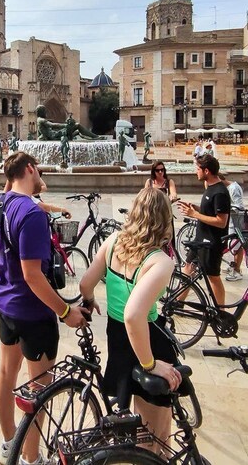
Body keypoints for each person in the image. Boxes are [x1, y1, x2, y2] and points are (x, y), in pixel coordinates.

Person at [0, 152, 87, 465]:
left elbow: (25, 203)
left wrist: (52, 207)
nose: (43, 176)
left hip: (5, 303)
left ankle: (9, 444)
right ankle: (31, 458)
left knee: (6, 372)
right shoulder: (31, 215)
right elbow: (33, 275)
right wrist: (65, 311)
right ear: (30, 168)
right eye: (40, 170)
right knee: (38, 390)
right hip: (33, 312)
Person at [80, 187, 183, 456]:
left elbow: (85, 283)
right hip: (148, 340)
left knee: (131, 425)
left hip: (118, 338)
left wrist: (90, 301)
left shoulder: (113, 241)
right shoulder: (160, 261)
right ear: (165, 219)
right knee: (154, 438)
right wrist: (150, 363)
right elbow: (134, 315)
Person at [177, 155, 231, 306]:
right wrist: (196, 208)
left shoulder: (220, 192)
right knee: (188, 267)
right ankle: (178, 301)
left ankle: (220, 311)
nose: (196, 172)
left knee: (213, 276)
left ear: (206, 171)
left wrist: (194, 214)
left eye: (197, 169)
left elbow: (221, 222)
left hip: (211, 242)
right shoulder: (210, 188)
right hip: (200, 240)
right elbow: (210, 213)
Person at [219, 174, 245, 282]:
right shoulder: (232, 187)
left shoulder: (233, 189)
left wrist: (225, 208)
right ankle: (234, 267)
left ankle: (237, 270)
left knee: (236, 246)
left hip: (236, 221)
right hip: (233, 221)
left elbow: (239, 206)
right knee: (233, 245)